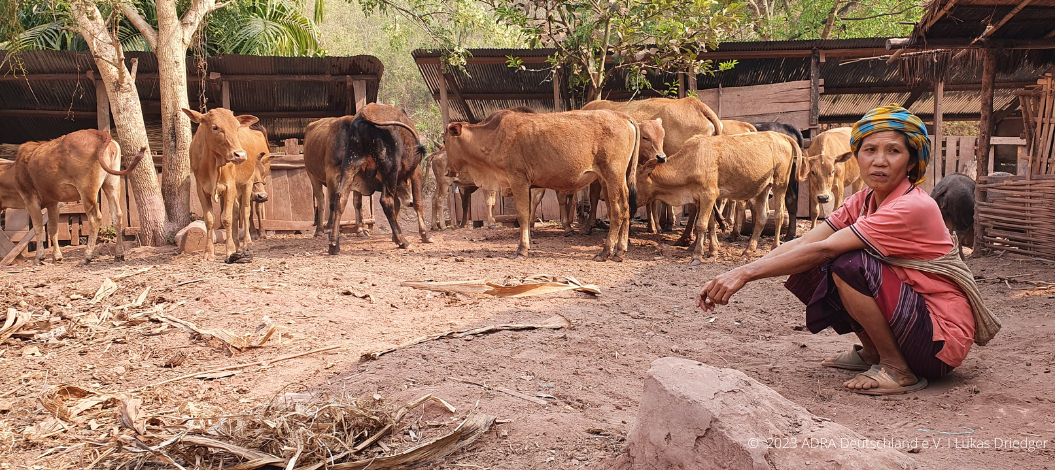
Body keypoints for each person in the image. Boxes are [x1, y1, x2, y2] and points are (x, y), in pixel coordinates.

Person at [696, 106, 976, 395]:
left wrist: (745, 275)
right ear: (857, 156)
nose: (879, 161)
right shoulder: (864, 199)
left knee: (848, 263)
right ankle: (873, 354)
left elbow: (825, 249)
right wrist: (734, 273)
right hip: (918, 326)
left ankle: (898, 369)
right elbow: (805, 242)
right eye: (869, 150)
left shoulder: (910, 205)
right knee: (820, 262)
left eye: (893, 151)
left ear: (911, 162)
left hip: (939, 344)